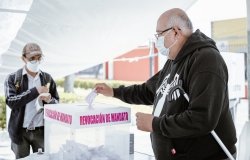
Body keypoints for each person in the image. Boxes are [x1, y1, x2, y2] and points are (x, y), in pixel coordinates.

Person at [95, 8, 237, 160]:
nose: (157, 41)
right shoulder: (173, 62)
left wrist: (155, 125)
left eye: (159, 34)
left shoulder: (206, 60)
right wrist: (114, 92)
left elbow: (202, 119)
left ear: (176, 31)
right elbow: (148, 91)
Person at [4, 43, 59, 159]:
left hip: (41, 132)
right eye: (32, 58)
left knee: (42, 158)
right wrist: (35, 91)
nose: (36, 61)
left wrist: (50, 100)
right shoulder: (13, 78)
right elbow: (11, 101)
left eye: (39, 58)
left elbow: (57, 103)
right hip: (20, 132)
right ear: (23, 58)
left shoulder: (47, 78)